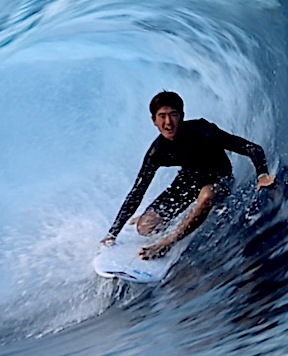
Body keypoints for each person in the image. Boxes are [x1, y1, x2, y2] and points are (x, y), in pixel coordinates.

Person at [102, 91, 276, 259]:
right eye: (162, 116)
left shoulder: (203, 131)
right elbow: (137, 191)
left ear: (182, 116)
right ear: (154, 120)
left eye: (173, 114)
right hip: (188, 181)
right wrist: (113, 233)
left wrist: (262, 174)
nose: (168, 122)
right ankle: (157, 217)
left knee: (207, 195)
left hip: (218, 180)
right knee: (145, 227)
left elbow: (250, 148)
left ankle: (167, 243)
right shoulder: (158, 151)